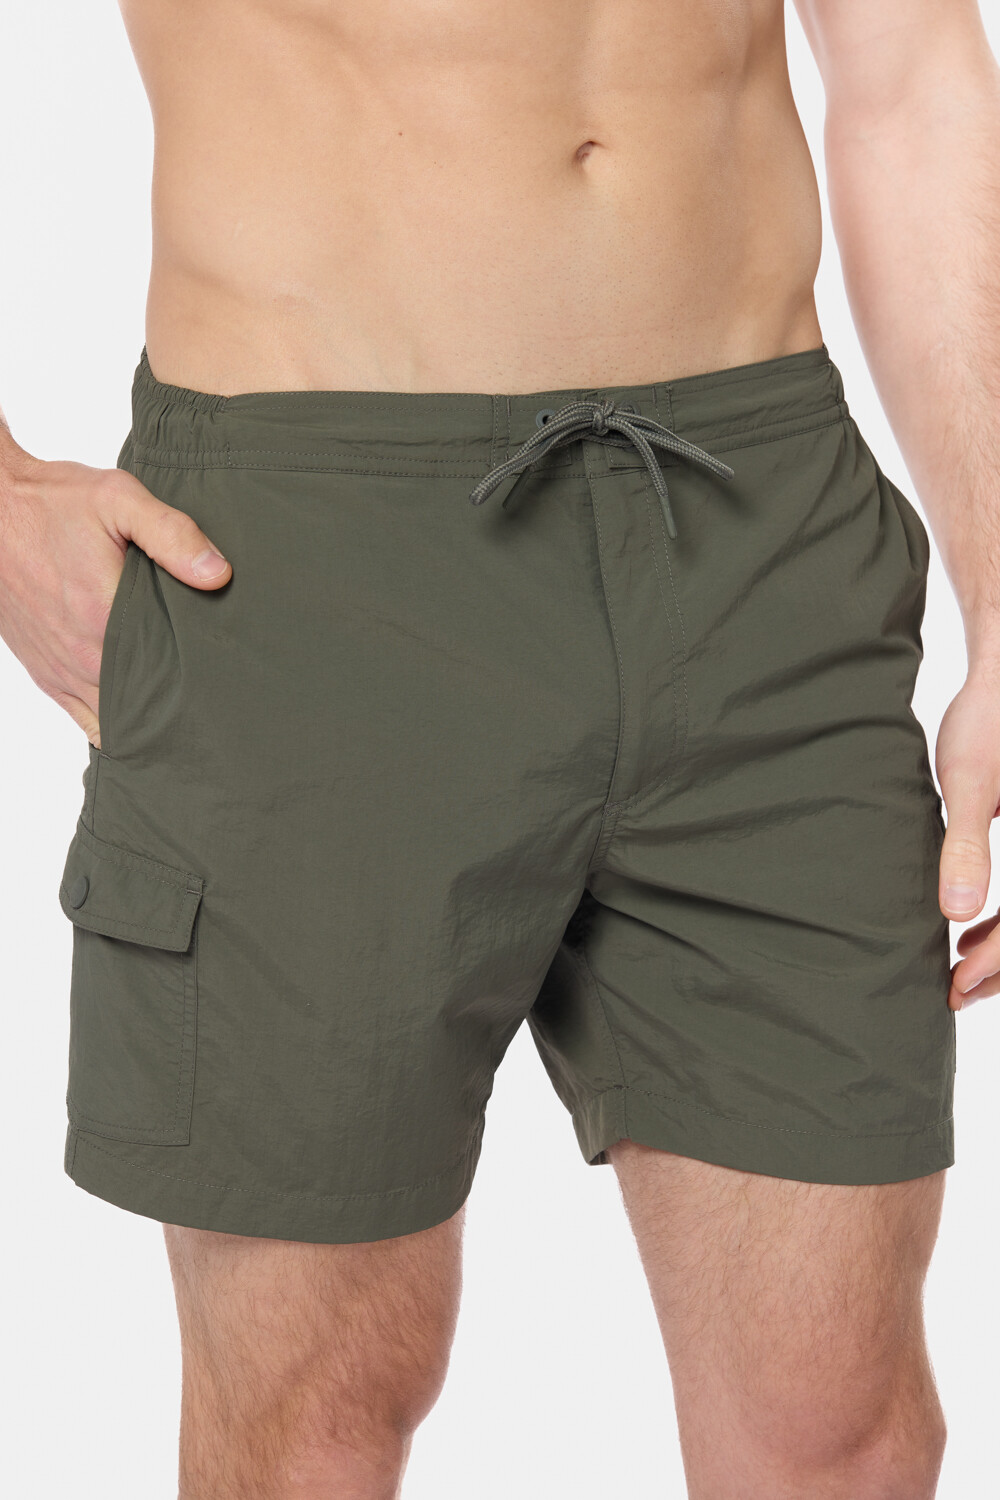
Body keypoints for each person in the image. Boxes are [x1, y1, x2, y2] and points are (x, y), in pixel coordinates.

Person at [2, 1, 998, 1495]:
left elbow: (909, 75)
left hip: (768, 542)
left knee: (840, 1429)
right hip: (311, 554)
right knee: (312, 1412)